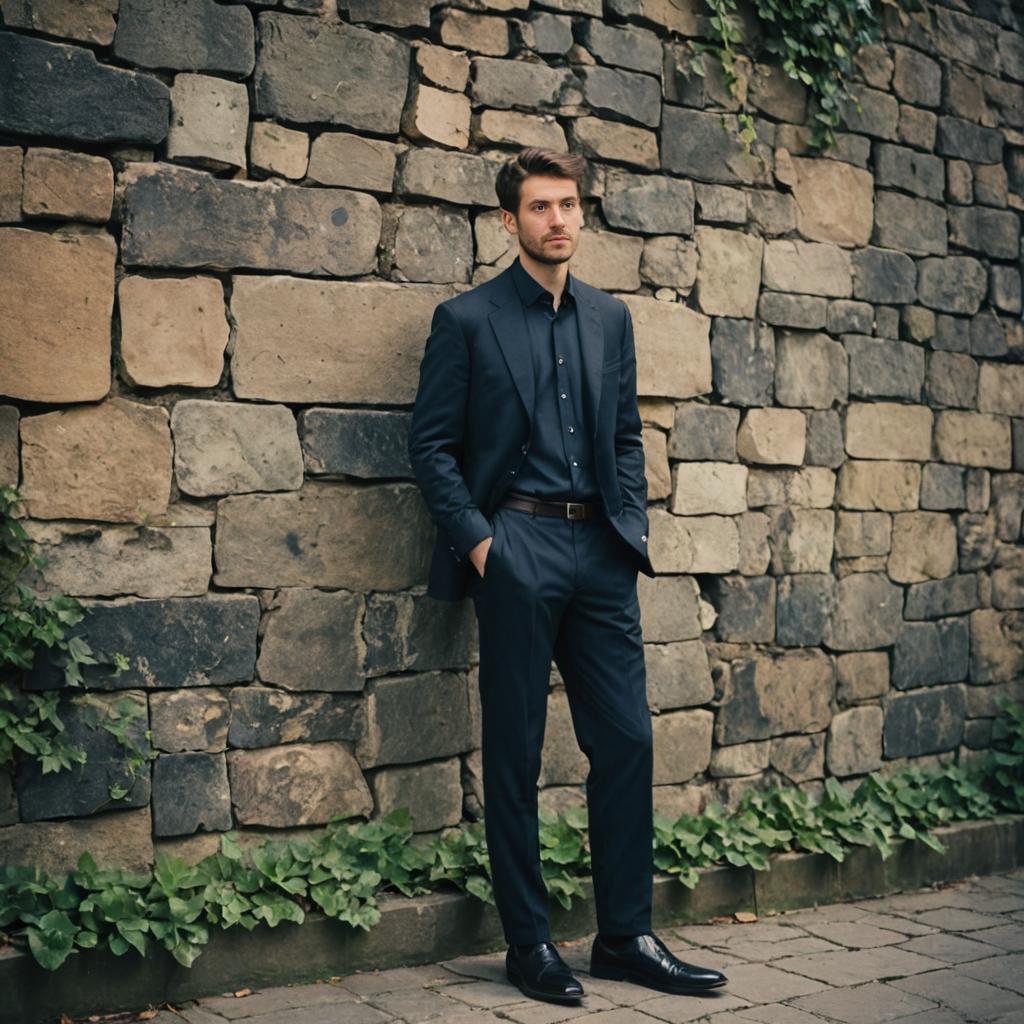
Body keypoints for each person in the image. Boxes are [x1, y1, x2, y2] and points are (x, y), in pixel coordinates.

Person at [407, 147, 727, 1006]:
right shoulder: (467, 321)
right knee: (513, 756)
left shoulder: (608, 319)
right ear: (508, 222)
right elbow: (431, 449)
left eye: (570, 205)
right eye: (542, 207)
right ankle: (530, 944)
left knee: (626, 740)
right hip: (516, 548)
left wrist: (631, 525)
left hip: (600, 554)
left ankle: (624, 936)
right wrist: (483, 547)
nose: (560, 220)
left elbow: (623, 433)